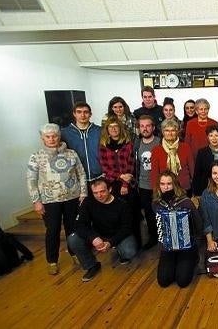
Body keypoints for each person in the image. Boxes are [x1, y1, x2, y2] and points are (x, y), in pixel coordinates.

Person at [27, 123, 87, 275]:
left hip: (72, 197)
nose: (52, 139)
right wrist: (36, 201)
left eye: (54, 136)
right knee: (52, 230)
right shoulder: (36, 156)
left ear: (59, 137)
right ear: (43, 139)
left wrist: (83, 193)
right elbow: (31, 180)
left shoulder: (71, 153)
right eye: (48, 137)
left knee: (72, 228)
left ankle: (75, 254)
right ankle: (52, 261)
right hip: (49, 200)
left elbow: (81, 173)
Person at [68, 178, 137, 282]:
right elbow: (79, 225)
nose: (99, 196)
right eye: (95, 193)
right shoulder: (88, 202)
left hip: (117, 235)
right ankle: (92, 265)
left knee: (129, 251)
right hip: (97, 234)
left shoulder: (122, 204)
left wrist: (111, 242)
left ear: (109, 189)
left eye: (102, 191)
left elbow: (127, 228)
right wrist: (93, 238)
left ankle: (119, 250)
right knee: (73, 239)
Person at [98, 116, 142, 247]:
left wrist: (125, 183)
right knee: (117, 215)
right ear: (107, 130)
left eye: (116, 126)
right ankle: (119, 243)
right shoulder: (103, 146)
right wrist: (120, 177)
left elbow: (131, 164)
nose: (113, 129)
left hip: (129, 184)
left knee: (133, 214)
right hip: (112, 184)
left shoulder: (128, 144)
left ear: (120, 128)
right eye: (110, 127)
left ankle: (137, 243)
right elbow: (105, 167)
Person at [153, 171, 201, 288]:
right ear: (159, 186)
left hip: (186, 247)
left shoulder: (185, 202)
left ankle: (193, 258)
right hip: (167, 247)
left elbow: (198, 224)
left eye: (169, 184)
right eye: (162, 184)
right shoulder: (156, 204)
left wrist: (189, 235)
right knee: (163, 281)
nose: (166, 187)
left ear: (175, 185)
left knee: (182, 281)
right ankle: (175, 263)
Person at [134, 115, 161, 249]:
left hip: (159, 184)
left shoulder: (159, 142)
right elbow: (136, 164)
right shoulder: (137, 143)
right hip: (143, 185)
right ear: (139, 128)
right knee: (149, 213)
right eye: (142, 126)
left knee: (160, 211)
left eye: (148, 126)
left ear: (153, 127)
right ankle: (153, 237)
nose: (145, 129)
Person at [151, 119, 195, 196]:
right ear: (162, 132)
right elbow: (154, 174)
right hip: (165, 189)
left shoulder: (186, 147)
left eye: (173, 130)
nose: (170, 133)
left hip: (184, 188)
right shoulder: (156, 150)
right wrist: (156, 191)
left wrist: (195, 189)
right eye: (167, 130)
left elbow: (192, 170)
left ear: (177, 132)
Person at [61, 101, 102, 182]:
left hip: (100, 177)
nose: (82, 115)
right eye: (79, 112)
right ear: (74, 114)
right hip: (77, 179)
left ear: (90, 114)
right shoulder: (64, 133)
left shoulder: (100, 131)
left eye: (86, 112)